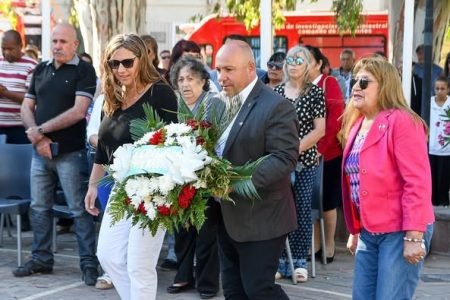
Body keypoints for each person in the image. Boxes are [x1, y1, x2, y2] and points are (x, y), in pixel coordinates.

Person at [84, 33, 177, 300]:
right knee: (109, 255)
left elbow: (176, 143)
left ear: (142, 60)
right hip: (120, 185)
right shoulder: (111, 96)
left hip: (155, 187)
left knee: (139, 264)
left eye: (127, 62)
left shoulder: (160, 92)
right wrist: (93, 184)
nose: (121, 69)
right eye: (114, 64)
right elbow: (103, 149)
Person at [341, 57, 434, 299]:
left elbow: (417, 181)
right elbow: (358, 181)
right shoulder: (357, 124)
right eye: (354, 81)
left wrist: (414, 235)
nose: (356, 87)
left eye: (364, 82)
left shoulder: (402, 121)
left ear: (385, 86)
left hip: (400, 229)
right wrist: (355, 228)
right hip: (369, 230)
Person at [214, 40, 299, 299]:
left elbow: (284, 158)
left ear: (250, 67)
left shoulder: (276, 105)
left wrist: (235, 182)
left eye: (228, 69)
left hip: (263, 218)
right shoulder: (216, 103)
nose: (221, 77)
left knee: (259, 289)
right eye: (218, 70)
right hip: (225, 216)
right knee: (233, 291)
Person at [16, 23, 99, 285]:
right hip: (39, 153)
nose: (57, 46)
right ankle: (41, 259)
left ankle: (88, 264)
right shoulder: (41, 69)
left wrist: (40, 130)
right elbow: (26, 106)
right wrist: (37, 136)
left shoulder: (84, 70)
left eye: (63, 41)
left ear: (75, 44)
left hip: (70, 153)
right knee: (39, 208)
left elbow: (78, 111)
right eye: (54, 41)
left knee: (79, 210)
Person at [166, 56, 220, 299]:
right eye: (180, 79)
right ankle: (184, 275)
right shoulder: (174, 105)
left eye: (190, 79)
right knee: (181, 230)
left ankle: (207, 281)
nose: (185, 84)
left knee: (207, 232)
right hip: (180, 178)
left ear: (202, 81)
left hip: (208, 177)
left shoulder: (214, 104)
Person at [274, 45, 325, 282]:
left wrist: (294, 150)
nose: (294, 64)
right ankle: (281, 260)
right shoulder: (276, 93)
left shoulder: (315, 92)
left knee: (302, 209)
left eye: (299, 60)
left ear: (307, 66)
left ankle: (299, 260)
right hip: (280, 163)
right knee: (280, 210)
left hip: (304, 161)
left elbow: (320, 130)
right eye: (291, 60)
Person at [306, 45, 344, 263]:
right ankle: (315, 245)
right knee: (311, 202)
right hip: (306, 155)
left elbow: (335, 121)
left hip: (328, 154)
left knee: (328, 202)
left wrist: (319, 149)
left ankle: (329, 246)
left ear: (319, 64)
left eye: (308, 60)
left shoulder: (329, 83)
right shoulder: (298, 86)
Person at [0, 30, 38, 143]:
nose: (6, 52)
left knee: (18, 160)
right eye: (3, 48)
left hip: (20, 128)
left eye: (11, 49)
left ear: (21, 46)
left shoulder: (32, 66)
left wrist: (5, 93)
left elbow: (32, 99)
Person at [429, 75, 450, 206]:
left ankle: (443, 202)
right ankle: (432, 202)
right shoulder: (429, 102)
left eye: (442, 88)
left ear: (448, 89)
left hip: (447, 149)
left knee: (444, 178)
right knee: (431, 178)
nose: (439, 91)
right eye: (437, 88)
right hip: (431, 147)